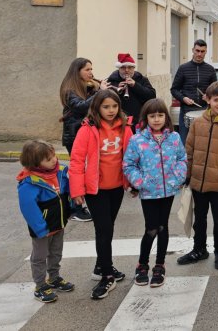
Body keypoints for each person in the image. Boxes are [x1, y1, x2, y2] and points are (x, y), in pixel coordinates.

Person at [69, 89, 134, 299]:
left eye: (114, 106)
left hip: (116, 188)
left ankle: (101, 266)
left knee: (108, 228)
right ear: (97, 107)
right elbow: (77, 161)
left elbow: (132, 157)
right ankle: (107, 276)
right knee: (103, 230)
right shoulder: (87, 130)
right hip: (95, 190)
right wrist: (77, 190)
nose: (111, 111)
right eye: (106, 107)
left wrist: (133, 183)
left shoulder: (125, 128)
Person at [123, 99, 188, 287]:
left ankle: (159, 265)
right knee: (151, 228)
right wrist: (139, 182)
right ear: (146, 118)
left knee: (163, 227)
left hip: (168, 191)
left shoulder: (174, 137)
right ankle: (142, 264)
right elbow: (128, 164)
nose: (157, 119)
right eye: (152, 116)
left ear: (166, 117)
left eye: (160, 115)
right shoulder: (137, 140)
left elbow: (182, 158)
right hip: (149, 192)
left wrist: (177, 177)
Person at [179, 81, 218, 270]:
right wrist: (188, 175)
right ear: (208, 100)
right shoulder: (198, 123)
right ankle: (199, 249)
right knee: (199, 218)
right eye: (216, 100)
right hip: (198, 180)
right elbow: (188, 150)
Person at [17, 140, 75, 303]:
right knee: (40, 257)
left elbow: (68, 191)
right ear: (36, 163)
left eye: (53, 156)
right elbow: (28, 208)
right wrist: (41, 229)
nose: (54, 160)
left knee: (56, 252)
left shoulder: (60, 172)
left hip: (58, 224)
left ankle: (54, 277)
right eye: (48, 159)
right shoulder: (29, 183)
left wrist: (73, 206)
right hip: (42, 229)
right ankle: (40, 285)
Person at [60, 57, 108, 222]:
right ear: (77, 71)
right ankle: (75, 209)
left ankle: (80, 204)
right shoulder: (69, 90)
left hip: (83, 133)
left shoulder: (85, 87)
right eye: (87, 69)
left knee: (85, 169)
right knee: (77, 170)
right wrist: (99, 93)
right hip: (73, 135)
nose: (91, 73)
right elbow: (81, 107)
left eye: (91, 69)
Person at [171, 40, 217, 143]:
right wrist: (183, 98)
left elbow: (216, 90)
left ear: (206, 52)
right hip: (186, 111)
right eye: (197, 51)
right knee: (186, 141)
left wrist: (209, 97)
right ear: (193, 50)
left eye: (202, 51)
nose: (199, 54)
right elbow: (174, 89)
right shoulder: (183, 68)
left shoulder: (210, 70)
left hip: (205, 111)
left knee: (204, 142)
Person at [107, 53, 157, 124]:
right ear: (119, 68)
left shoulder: (142, 79)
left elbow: (152, 96)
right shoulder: (112, 80)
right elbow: (106, 100)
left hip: (139, 120)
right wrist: (116, 89)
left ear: (134, 68)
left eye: (130, 67)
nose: (126, 70)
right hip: (118, 120)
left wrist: (135, 85)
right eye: (123, 67)